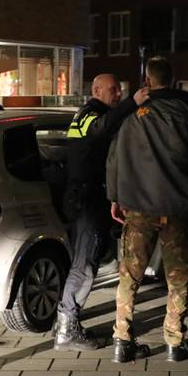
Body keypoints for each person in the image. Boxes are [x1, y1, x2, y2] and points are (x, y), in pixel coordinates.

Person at [107, 57, 188, 363]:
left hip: (137, 207)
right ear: (173, 79)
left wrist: (114, 196)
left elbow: (114, 156)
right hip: (177, 207)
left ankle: (122, 340)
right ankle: (174, 340)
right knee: (179, 277)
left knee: (129, 276)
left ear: (147, 79)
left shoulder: (132, 113)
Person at [54, 74, 149, 351]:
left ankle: (64, 323)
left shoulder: (97, 113)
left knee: (87, 261)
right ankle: (67, 328)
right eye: (113, 89)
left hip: (90, 197)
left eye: (120, 90)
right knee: (84, 266)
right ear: (96, 90)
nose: (118, 93)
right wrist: (132, 102)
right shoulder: (88, 115)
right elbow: (102, 128)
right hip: (85, 199)